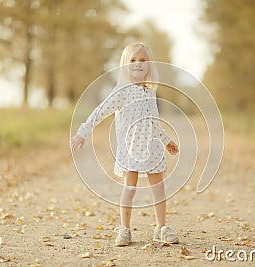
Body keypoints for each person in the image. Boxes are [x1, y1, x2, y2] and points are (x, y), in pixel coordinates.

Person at [70, 42, 179, 247]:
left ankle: (161, 228)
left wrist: (166, 141)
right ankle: (125, 229)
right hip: (131, 150)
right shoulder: (122, 91)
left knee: (159, 188)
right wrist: (83, 132)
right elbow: (100, 111)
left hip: (153, 149)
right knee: (129, 189)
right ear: (125, 64)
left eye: (143, 60)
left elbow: (154, 122)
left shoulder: (150, 92)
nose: (138, 64)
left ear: (149, 65)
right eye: (133, 60)